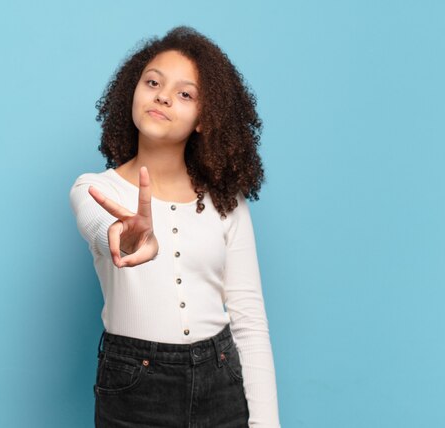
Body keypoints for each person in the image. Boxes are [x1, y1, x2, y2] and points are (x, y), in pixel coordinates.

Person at [70, 26, 281, 428]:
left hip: (222, 382)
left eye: (185, 94)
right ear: (131, 92)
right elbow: (102, 228)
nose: (163, 96)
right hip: (134, 386)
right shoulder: (95, 189)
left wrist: (267, 424)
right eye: (152, 82)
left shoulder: (226, 202)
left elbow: (249, 321)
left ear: (205, 120)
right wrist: (125, 238)